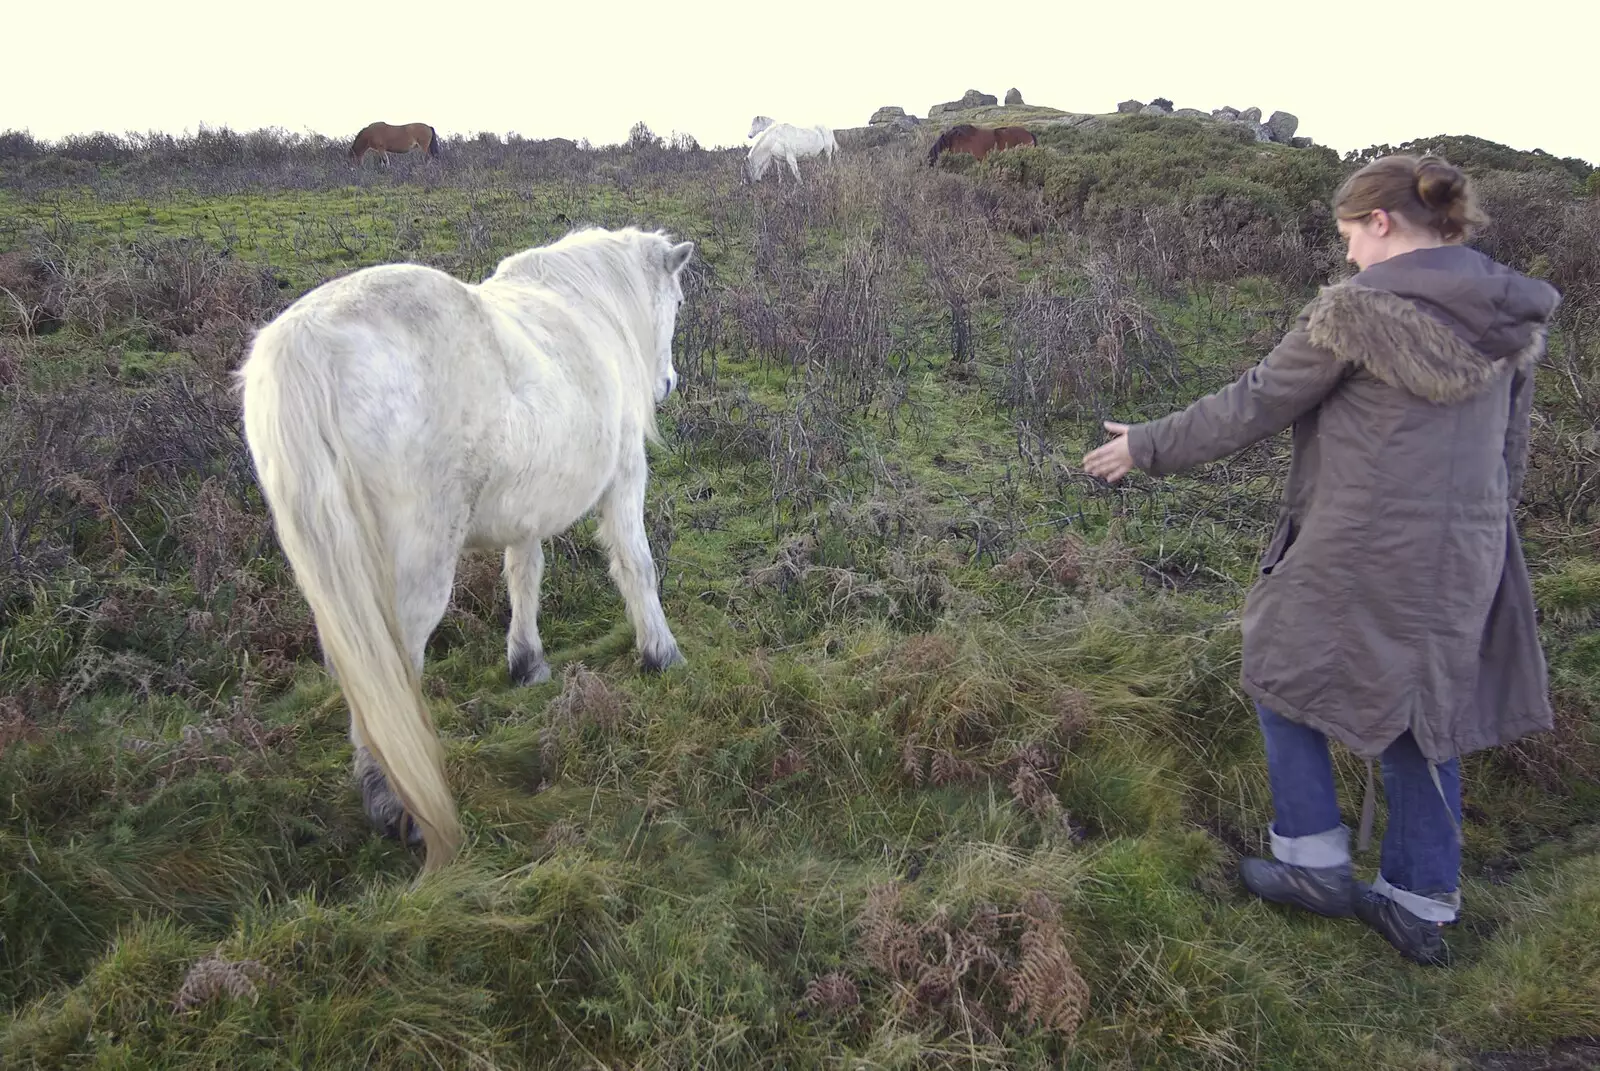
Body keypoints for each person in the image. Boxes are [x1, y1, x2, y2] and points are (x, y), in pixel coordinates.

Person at [1081, 154, 1560, 967]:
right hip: (1470, 546)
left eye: (1349, 235)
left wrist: (1147, 446)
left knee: (1278, 673)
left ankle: (1313, 865)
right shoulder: (1508, 313)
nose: (1345, 256)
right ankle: (1420, 904)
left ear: (1381, 223)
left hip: (1361, 542)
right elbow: (1511, 447)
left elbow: (1257, 400)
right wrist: (1477, 531)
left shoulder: (1360, 310)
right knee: (1426, 710)